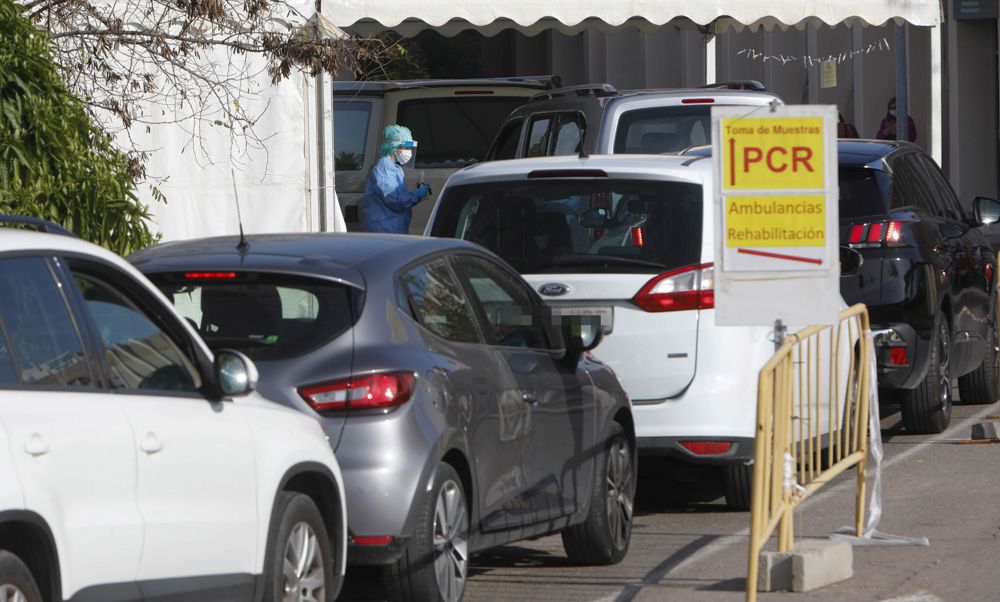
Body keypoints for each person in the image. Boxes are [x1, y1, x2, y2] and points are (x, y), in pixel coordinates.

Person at [362, 124, 432, 233]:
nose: (409, 151)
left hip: (394, 230)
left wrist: (417, 193)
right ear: (395, 147)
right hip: (385, 232)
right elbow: (394, 200)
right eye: (406, 147)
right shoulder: (383, 168)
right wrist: (416, 194)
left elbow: (397, 197)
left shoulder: (395, 168)